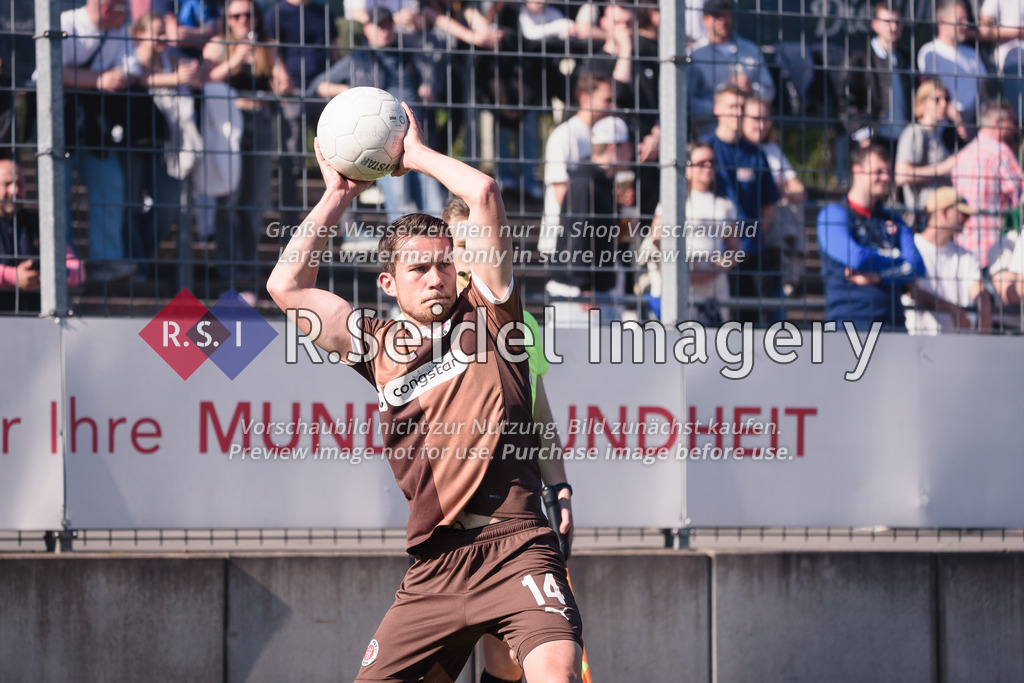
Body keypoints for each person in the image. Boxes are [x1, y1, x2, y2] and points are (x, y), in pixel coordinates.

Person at [267, 103, 583, 682]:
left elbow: (484, 192)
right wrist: (338, 194)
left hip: (516, 545)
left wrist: (413, 156)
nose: (437, 276)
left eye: (444, 263)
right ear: (388, 283)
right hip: (435, 566)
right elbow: (285, 287)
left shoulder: (493, 314)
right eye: (419, 270)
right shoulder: (376, 345)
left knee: (556, 674)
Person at [441, 197, 575, 683]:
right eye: (460, 243)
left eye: (480, 240)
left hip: (516, 519)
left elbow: (540, 410)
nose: (471, 253)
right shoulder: (432, 321)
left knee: (509, 658)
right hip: (452, 523)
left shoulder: (519, 322)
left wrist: (560, 487)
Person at [309, 7, 446, 224]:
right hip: (383, 141)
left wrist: (426, 86)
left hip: (417, 134)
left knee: (433, 195)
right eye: (379, 25)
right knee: (400, 199)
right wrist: (351, 93)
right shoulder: (358, 59)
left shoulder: (407, 54)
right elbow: (318, 86)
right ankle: (404, 250)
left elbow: (432, 67)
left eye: (389, 25)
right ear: (367, 29)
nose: (385, 30)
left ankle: (443, 249)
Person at [205, 0, 291, 300]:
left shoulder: (266, 44)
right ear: (227, 19)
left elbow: (284, 84)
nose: (243, 20)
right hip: (228, 125)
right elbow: (203, 78)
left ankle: (247, 266)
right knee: (229, 199)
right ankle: (228, 268)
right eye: (236, 15)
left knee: (254, 202)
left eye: (248, 14)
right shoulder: (218, 45)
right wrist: (235, 61)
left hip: (260, 123)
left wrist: (270, 72)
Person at [61, 0, 138, 283]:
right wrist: (99, 79)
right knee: (57, 193)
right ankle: (63, 262)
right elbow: (53, 69)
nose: (127, 13)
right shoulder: (66, 23)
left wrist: (116, 77)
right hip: (60, 115)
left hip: (98, 121)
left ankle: (107, 260)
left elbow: (133, 68)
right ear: (106, 7)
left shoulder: (120, 31)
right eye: (122, 6)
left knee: (110, 185)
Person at [125, 12, 201, 281]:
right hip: (131, 145)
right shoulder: (129, 56)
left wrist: (187, 76)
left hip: (167, 145)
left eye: (163, 32)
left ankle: (141, 260)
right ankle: (137, 266)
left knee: (167, 208)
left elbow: (194, 80)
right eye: (155, 32)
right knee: (129, 205)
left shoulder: (171, 58)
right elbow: (137, 78)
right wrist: (177, 79)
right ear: (139, 34)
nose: (161, 38)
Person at [817, 142, 925, 330]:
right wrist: (896, 261)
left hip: (894, 327)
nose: (885, 177)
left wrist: (877, 276)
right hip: (849, 328)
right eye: (878, 171)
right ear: (857, 171)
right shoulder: (833, 214)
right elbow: (856, 258)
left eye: (887, 171)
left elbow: (917, 267)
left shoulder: (894, 220)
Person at [703, 84, 781, 324]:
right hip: (713, 253)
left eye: (740, 107)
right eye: (731, 106)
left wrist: (752, 235)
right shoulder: (703, 151)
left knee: (754, 324)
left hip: (750, 252)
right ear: (717, 110)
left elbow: (769, 202)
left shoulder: (755, 154)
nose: (737, 112)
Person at [546, 116, 633, 327]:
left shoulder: (603, 183)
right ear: (615, 147)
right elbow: (578, 233)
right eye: (628, 145)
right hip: (579, 296)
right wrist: (584, 286)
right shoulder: (585, 184)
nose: (632, 151)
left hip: (596, 289)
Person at [264, 0, 339, 227]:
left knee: (340, 158)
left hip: (322, 91)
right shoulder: (276, 13)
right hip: (292, 91)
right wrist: (279, 80)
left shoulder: (323, 12)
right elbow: (271, 52)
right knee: (291, 163)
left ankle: (346, 226)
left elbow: (334, 51)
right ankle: (288, 226)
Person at [539, 71, 614, 253]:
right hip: (564, 239)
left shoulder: (600, 134)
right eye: (607, 100)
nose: (612, 107)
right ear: (586, 99)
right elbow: (561, 190)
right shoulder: (564, 135)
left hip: (588, 236)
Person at [0, 158, 85, 312]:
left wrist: (54, 273)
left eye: (19, 184)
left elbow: (78, 270)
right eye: (7, 184)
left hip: (36, 320)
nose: (15, 191)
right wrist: (12, 276)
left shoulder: (39, 223)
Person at [741, 94, 806, 297]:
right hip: (748, 224)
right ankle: (787, 262)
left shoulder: (772, 150)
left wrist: (774, 190)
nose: (761, 125)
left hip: (773, 219)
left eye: (765, 119)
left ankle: (784, 257)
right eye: (755, 119)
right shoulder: (736, 150)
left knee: (789, 206)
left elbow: (799, 190)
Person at [904, 187, 991, 334]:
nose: (966, 219)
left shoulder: (966, 256)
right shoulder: (911, 248)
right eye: (962, 213)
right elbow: (910, 290)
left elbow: (978, 290)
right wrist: (950, 307)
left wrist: (984, 316)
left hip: (956, 345)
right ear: (943, 212)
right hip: (918, 341)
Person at [687, 0, 775, 138]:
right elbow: (687, 101)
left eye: (726, 15)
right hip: (710, 133)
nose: (723, 20)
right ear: (704, 20)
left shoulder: (751, 50)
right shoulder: (695, 54)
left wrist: (750, 91)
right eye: (717, 16)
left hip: (750, 135)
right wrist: (723, 106)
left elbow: (768, 90)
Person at [950, 102, 1023, 268]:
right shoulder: (1000, 152)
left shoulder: (963, 154)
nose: (1015, 128)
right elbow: (1019, 196)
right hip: (997, 250)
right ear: (998, 122)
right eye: (1013, 122)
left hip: (964, 247)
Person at [844, 3, 913, 152]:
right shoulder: (859, 58)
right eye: (887, 22)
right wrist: (862, 136)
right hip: (874, 140)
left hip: (905, 143)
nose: (893, 27)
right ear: (875, 24)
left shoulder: (907, 59)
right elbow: (845, 100)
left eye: (897, 22)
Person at [917, 0, 988, 132]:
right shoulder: (930, 52)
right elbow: (931, 90)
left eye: (966, 19)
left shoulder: (972, 54)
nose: (966, 25)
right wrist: (957, 120)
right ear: (942, 21)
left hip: (974, 125)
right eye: (960, 20)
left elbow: (983, 94)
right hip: (944, 128)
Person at [894, 78, 959, 216]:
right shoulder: (915, 132)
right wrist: (943, 168)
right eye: (936, 100)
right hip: (924, 215)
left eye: (946, 99)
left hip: (942, 212)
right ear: (921, 105)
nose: (943, 104)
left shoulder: (937, 135)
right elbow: (901, 174)